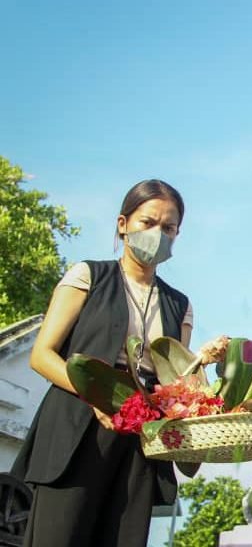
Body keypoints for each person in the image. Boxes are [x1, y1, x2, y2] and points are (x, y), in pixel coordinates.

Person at [12, 179, 228, 547]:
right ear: (123, 224)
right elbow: (42, 355)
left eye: (169, 228)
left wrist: (204, 364)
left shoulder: (180, 305)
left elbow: (176, 383)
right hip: (76, 429)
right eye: (148, 222)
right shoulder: (89, 276)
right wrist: (97, 395)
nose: (158, 234)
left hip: (139, 443)